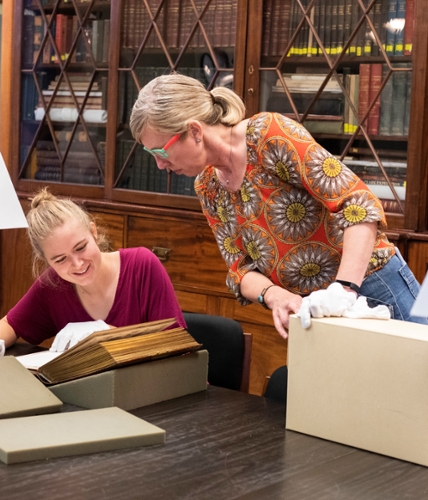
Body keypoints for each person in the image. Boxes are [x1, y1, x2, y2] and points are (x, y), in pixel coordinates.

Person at [129, 73, 428, 339]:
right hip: (314, 309)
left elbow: (358, 204)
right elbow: (240, 270)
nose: (159, 165)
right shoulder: (208, 186)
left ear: (195, 131)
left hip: (373, 286)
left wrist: (345, 288)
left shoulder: (267, 136)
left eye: (160, 151)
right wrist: (275, 296)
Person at [0, 188, 186, 359]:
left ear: (93, 232)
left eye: (81, 247)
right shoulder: (53, 285)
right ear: (47, 261)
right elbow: (9, 324)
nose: (77, 264)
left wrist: (107, 333)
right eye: (60, 259)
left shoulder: (141, 266)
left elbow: (177, 345)